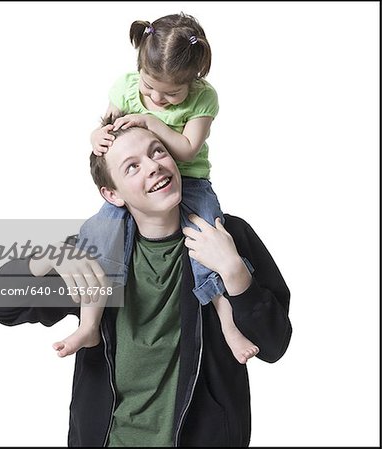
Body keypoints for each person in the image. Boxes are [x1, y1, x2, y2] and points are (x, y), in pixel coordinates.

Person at [0, 117, 292, 447]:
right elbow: (0, 304)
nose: (153, 167)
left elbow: (273, 345)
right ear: (112, 194)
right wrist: (46, 256)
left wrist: (234, 272)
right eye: (132, 167)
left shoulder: (227, 236)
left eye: (157, 151)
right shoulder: (97, 253)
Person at [53, 12, 260, 364]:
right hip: (127, 207)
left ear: (194, 79)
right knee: (96, 237)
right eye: (149, 89)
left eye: (172, 94)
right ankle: (89, 324)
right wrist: (94, 136)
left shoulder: (203, 99)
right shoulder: (126, 87)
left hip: (191, 181)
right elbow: (105, 128)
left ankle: (228, 323)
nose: (158, 99)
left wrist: (150, 122)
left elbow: (186, 149)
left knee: (209, 240)